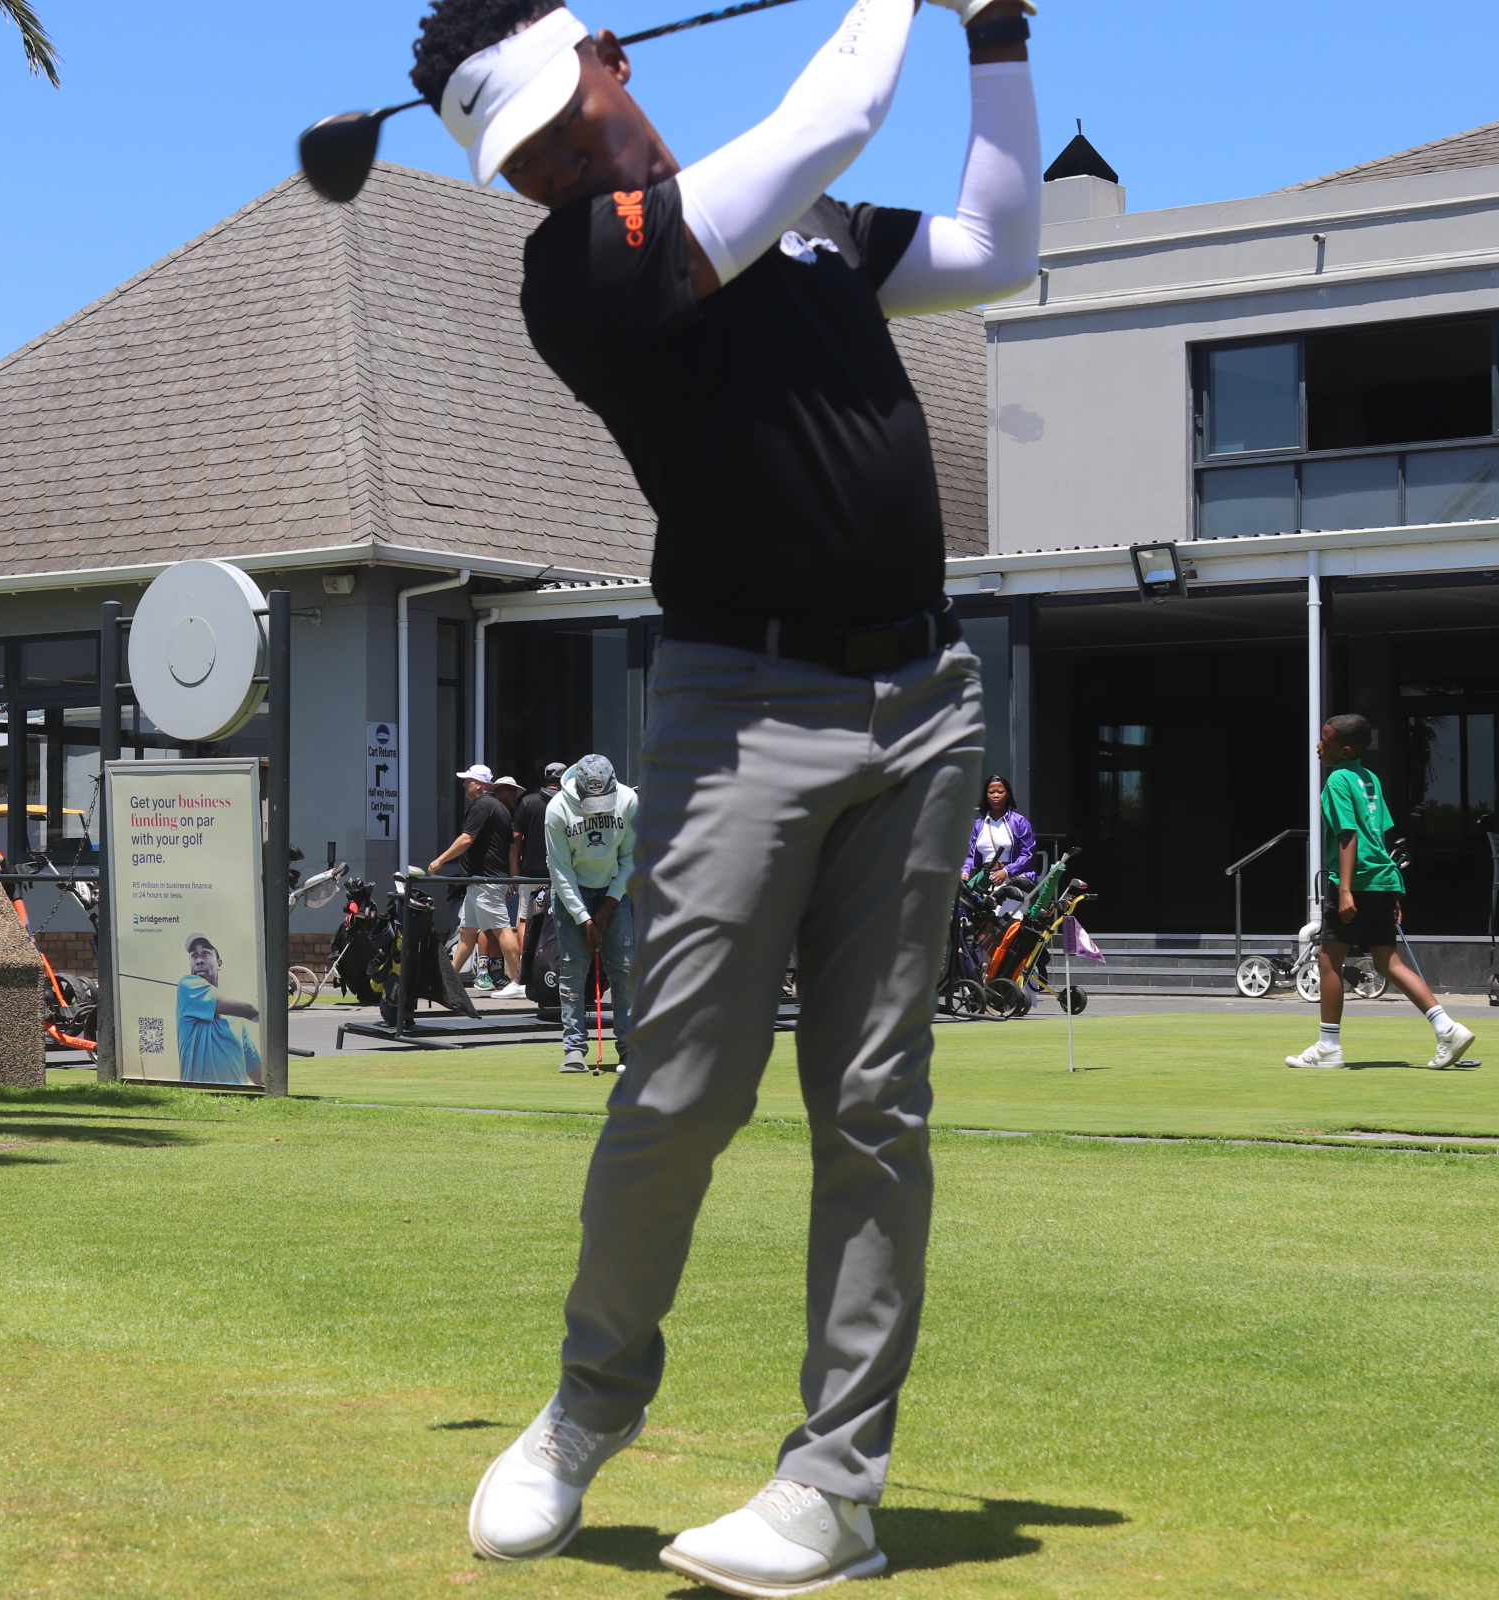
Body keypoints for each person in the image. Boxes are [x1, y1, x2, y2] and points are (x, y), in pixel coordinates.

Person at [412, 0, 1042, 1589]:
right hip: (739, 704)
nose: (551, 164)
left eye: (560, 121)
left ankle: (835, 1491)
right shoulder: (582, 269)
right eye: (522, 158)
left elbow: (996, 248)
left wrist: (997, 42)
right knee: (684, 1085)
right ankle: (588, 1405)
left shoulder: (812, 228)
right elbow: (829, 114)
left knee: (877, 1105)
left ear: (613, 60)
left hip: (923, 700)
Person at [1288, 714, 1476, 1072]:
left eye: (1325, 740)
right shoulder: (1369, 778)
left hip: (1357, 881)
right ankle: (1447, 1029)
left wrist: (1344, 889)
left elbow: (1348, 835)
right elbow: (1378, 836)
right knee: (1388, 962)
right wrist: (1392, 893)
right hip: (1383, 880)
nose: (1318, 746)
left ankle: (1328, 1047)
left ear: (1345, 750)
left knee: (1329, 961)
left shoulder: (1338, 779)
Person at [545, 754, 636, 1073]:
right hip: (572, 892)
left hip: (615, 889)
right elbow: (560, 871)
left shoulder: (628, 800)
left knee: (624, 969)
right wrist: (584, 918)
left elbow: (631, 858)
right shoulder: (557, 808)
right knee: (573, 970)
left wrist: (608, 907)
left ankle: (629, 1047)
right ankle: (573, 1049)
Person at [423, 763, 521, 993]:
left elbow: (467, 838)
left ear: (478, 784)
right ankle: (448, 982)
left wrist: (440, 860)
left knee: (502, 929)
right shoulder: (499, 808)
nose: (464, 785)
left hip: (485, 880)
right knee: (467, 933)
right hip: (481, 881)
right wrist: (512, 876)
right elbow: (510, 847)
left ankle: (520, 981)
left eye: (467, 781)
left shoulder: (481, 805)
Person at [176, 934, 263, 1085]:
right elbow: (250, 1011)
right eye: (194, 955)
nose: (199, 960)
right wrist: (267, 1014)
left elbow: (258, 1075)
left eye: (205, 953)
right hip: (199, 1096)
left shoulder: (237, 1021)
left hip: (237, 1099)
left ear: (219, 962)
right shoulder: (187, 986)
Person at [515, 761, 568, 1000]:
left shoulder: (528, 802)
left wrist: (514, 870)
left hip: (531, 871)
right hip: (561, 870)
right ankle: (559, 965)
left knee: (526, 919)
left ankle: (526, 970)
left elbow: (516, 837)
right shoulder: (570, 802)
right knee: (560, 918)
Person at [962, 774, 1036, 927]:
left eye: (1000, 792)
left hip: (1011, 881)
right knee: (983, 929)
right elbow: (971, 856)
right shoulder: (979, 824)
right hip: (985, 882)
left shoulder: (1019, 822)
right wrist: (965, 871)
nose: (995, 795)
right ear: (986, 795)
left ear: (1007, 794)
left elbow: (1027, 854)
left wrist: (1006, 871)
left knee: (1007, 927)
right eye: (991, 792)